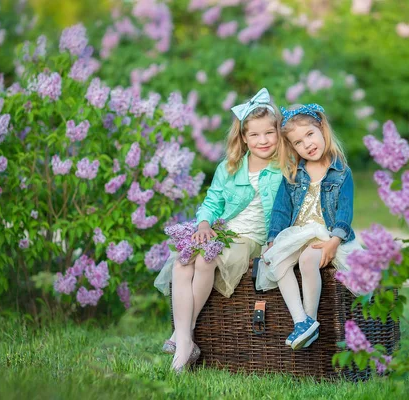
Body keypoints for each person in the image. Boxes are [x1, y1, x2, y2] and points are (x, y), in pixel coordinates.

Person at [154, 88, 283, 372]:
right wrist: (203, 224)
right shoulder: (230, 167)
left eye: (269, 133)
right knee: (182, 261)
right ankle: (185, 340)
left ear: (278, 133)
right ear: (244, 138)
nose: (262, 140)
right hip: (223, 231)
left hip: (251, 238)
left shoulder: (283, 167)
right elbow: (212, 203)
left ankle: (182, 338)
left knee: (205, 259)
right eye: (255, 135)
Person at [256, 103, 363, 350]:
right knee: (277, 260)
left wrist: (334, 241)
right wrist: (273, 239)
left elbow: (345, 213)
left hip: (326, 234)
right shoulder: (293, 173)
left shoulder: (341, 173)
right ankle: (301, 321)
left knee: (307, 259)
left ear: (322, 129)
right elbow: (281, 210)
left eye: (310, 135)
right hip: (298, 232)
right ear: (292, 147)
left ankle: (311, 318)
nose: (307, 144)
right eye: (298, 142)